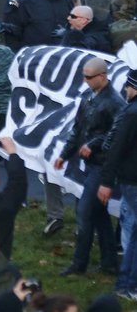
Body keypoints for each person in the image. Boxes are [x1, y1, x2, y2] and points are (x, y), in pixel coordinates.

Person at [55, 57, 124, 276]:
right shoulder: (87, 97)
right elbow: (78, 128)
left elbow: (117, 136)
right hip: (92, 162)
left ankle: (79, 264)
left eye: (89, 77)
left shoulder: (115, 103)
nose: (85, 81)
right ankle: (109, 261)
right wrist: (65, 154)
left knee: (84, 212)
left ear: (102, 76)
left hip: (103, 165)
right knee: (98, 213)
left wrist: (93, 145)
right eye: (83, 76)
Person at [98, 68, 137, 299]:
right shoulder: (132, 113)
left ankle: (126, 284)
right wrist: (106, 181)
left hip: (131, 180)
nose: (125, 90)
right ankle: (129, 285)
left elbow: (116, 148)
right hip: (132, 181)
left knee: (132, 231)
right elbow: (115, 148)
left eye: (128, 86)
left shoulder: (131, 112)